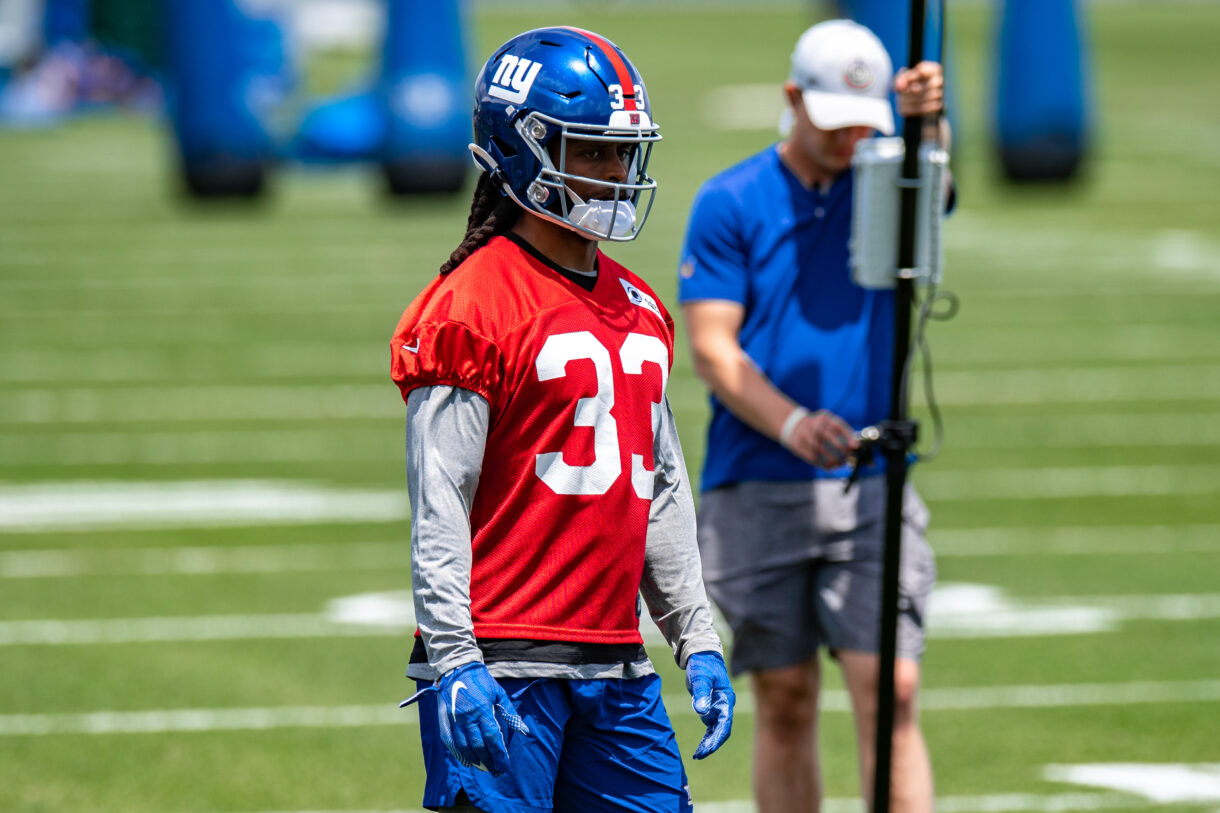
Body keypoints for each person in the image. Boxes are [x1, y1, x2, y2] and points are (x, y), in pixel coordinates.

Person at [390, 26, 735, 813]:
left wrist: (696, 636)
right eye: (592, 152)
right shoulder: (472, 302)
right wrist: (454, 657)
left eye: (622, 153)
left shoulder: (641, 305)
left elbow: (662, 489)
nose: (616, 174)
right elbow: (439, 498)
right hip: (503, 657)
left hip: (615, 659)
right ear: (522, 148)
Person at [676, 19, 948, 813]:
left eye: (865, 124)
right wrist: (793, 423)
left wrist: (930, 119)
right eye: (833, 122)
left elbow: (937, 180)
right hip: (758, 477)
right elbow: (713, 348)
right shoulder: (730, 199)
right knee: (786, 695)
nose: (849, 140)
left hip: (871, 480)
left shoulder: (890, 182)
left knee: (892, 688)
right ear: (793, 100)